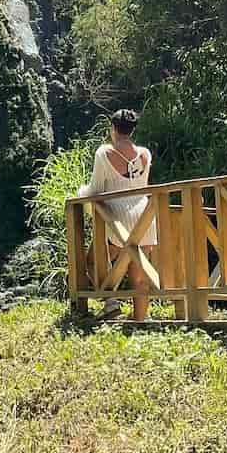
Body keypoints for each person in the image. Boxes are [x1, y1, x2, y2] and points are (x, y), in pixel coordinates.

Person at [79, 108, 156, 322]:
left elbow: (95, 190)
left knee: (93, 260)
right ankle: (140, 319)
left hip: (117, 218)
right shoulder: (145, 154)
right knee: (139, 273)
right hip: (145, 215)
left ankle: (110, 302)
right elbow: (142, 185)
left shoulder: (104, 153)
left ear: (113, 128)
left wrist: (81, 193)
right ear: (132, 129)